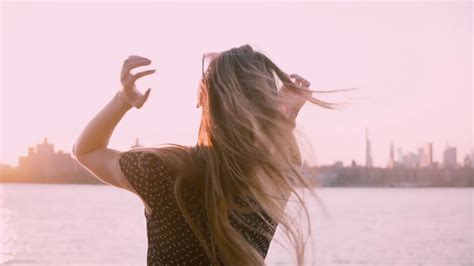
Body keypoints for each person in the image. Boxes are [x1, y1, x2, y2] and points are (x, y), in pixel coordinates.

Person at [73, 44, 343, 265]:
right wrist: (285, 117)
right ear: (265, 105)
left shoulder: (161, 172)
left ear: (202, 97)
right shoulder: (270, 182)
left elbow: (86, 151)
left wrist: (124, 99)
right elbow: (280, 153)